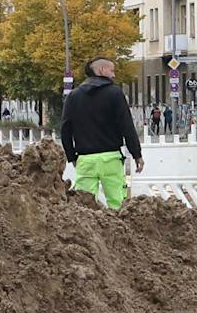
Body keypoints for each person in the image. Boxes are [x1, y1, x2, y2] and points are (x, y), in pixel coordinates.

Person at [60, 56, 144, 208]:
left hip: (85, 160)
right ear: (101, 70)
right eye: (112, 71)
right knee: (118, 204)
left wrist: (71, 156)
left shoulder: (73, 96)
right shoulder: (115, 93)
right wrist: (136, 154)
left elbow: (65, 129)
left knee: (83, 206)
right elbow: (127, 126)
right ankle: (118, 223)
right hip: (111, 159)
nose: (114, 75)